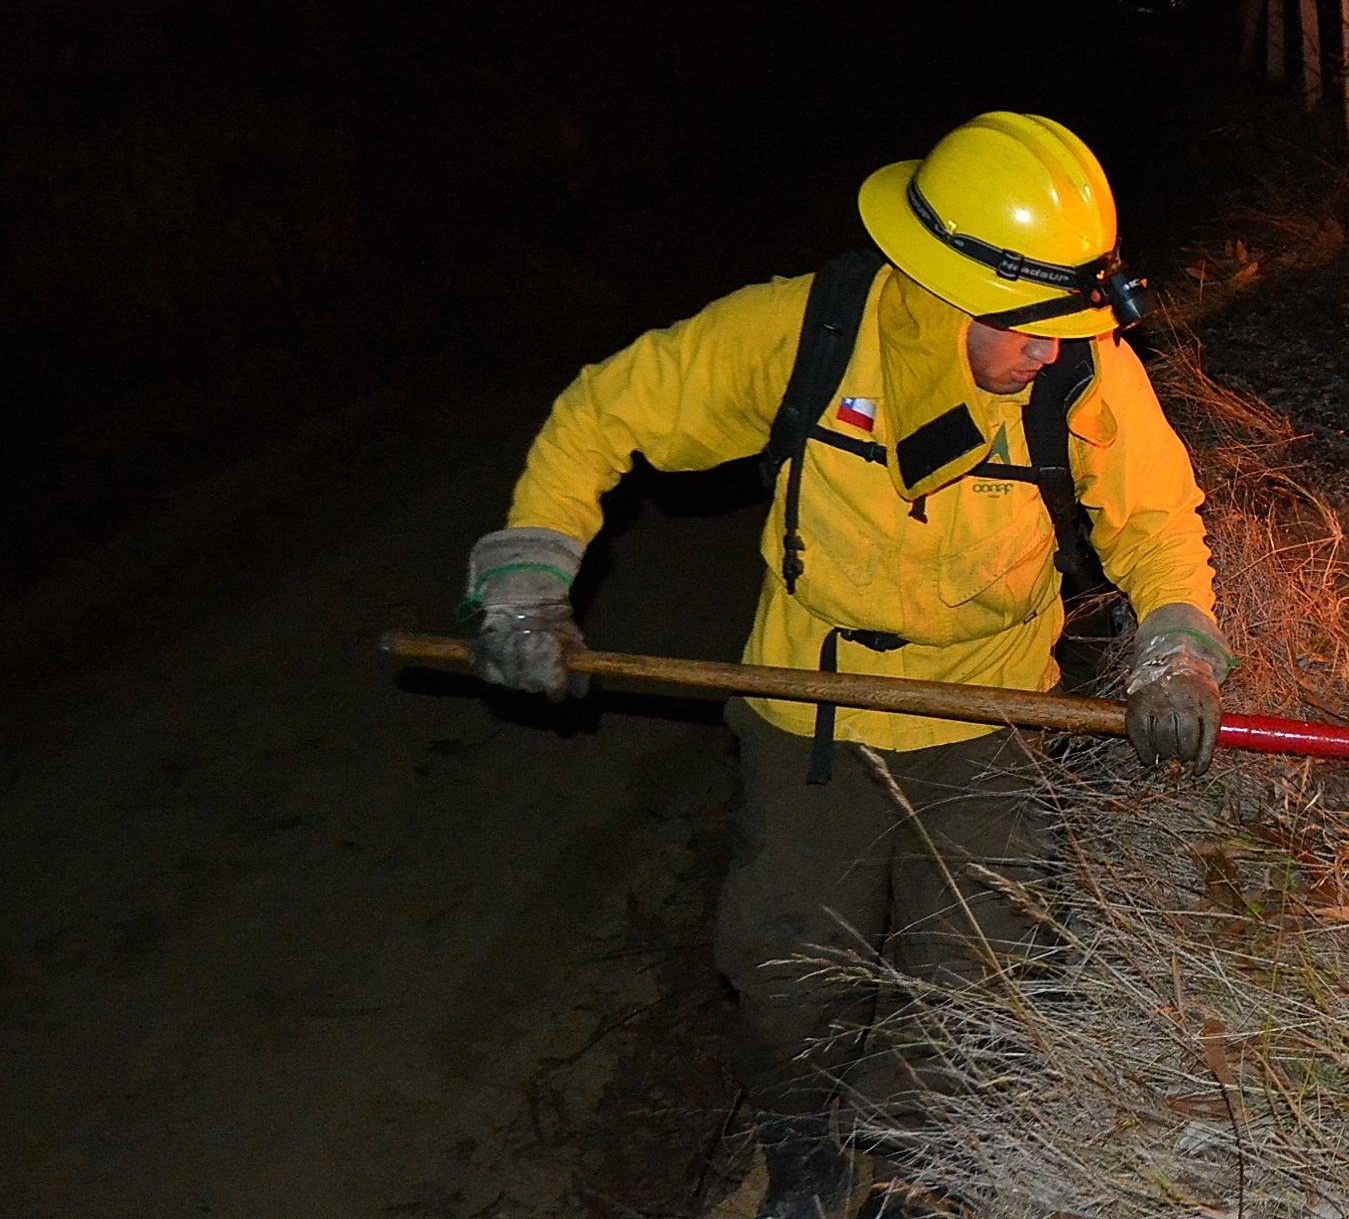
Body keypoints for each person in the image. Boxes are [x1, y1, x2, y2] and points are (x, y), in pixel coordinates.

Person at [458, 111, 1230, 1213]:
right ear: (947, 287)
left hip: (992, 713)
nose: (1054, 349)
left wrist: (1177, 649)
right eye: (1029, 326)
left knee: (972, 972)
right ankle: (798, 1135)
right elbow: (604, 412)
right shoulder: (805, 334)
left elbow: (1153, 517)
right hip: (805, 707)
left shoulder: (1079, 374)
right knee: (785, 967)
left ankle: (912, 1155)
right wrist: (529, 575)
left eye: (1067, 323)